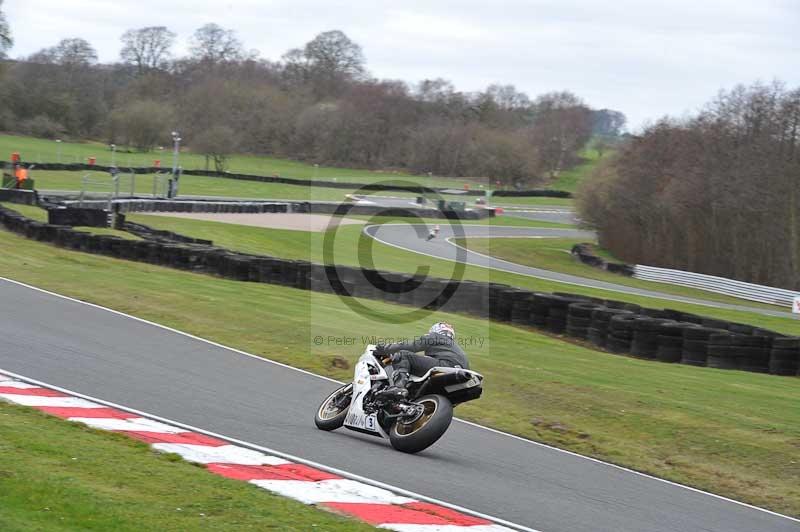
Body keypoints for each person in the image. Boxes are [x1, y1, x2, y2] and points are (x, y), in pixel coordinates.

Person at [374, 322, 468, 400]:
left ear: (435, 330)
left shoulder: (435, 336)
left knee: (404, 354)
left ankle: (398, 387)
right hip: (461, 375)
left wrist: (385, 348)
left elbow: (412, 346)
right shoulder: (455, 347)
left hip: (445, 366)